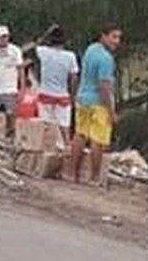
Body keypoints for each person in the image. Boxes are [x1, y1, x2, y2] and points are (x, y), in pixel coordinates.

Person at [68, 23, 122, 186]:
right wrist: (111, 111)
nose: (117, 41)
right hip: (98, 103)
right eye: (113, 36)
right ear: (103, 36)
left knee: (80, 134)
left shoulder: (91, 50)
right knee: (98, 140)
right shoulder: (106, 59)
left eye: (119, 37)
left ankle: (73, 173)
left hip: (83, 99)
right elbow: (104, 87)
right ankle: (94, 177)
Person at [35, 26, 79, 144]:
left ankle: (46, 148)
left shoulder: (43, 52)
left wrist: (46, 33)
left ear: (50, 41)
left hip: (45, 95)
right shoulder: (70, 56)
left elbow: (35, 44)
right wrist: (72, 95)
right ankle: (67, 149)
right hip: (63, 96)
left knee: (46, 126)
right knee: (65, 127)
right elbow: (74, 77)